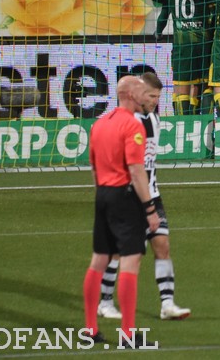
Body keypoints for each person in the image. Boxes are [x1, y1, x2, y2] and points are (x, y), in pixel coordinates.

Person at [97, 72, 191, 322]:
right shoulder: (125, 121)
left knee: (163, 245)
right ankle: (105, 302)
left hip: (152, 193)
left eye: (158, 96)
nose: (154, 100)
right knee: (119, 252)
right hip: (127, 197)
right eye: (151, 95)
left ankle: (167, 304)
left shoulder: (153, 117)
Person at [82, 75, 159, 343]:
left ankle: (90, 329)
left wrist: (103, 194)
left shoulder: (100, 124)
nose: (143, 96)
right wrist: (150, 209)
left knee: (98, 260)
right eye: (140, 92)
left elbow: (92, 166)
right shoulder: (132, 126)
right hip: (125, 198)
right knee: (131, 261)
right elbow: (137, 171)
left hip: (102, 194)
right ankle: (128, 333)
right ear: (128, 94)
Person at [149, 0, 214, 115]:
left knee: (181, 87)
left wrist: (159, 30)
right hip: (204, 45)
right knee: (204, 84)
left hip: (182, 45)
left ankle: (183, 125)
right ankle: (204, 123)